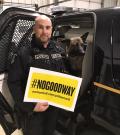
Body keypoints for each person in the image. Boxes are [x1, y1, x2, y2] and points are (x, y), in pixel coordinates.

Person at [7, 15, 67, 135]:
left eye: (48, 27)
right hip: (34, 113)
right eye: (40, 27)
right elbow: (13, 83)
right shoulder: (24, 53)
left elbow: (63, 73)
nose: (44, 31)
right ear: (34, 29)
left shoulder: (58, 49)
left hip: (53, 108)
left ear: (52, 29)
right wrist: (31, 107)